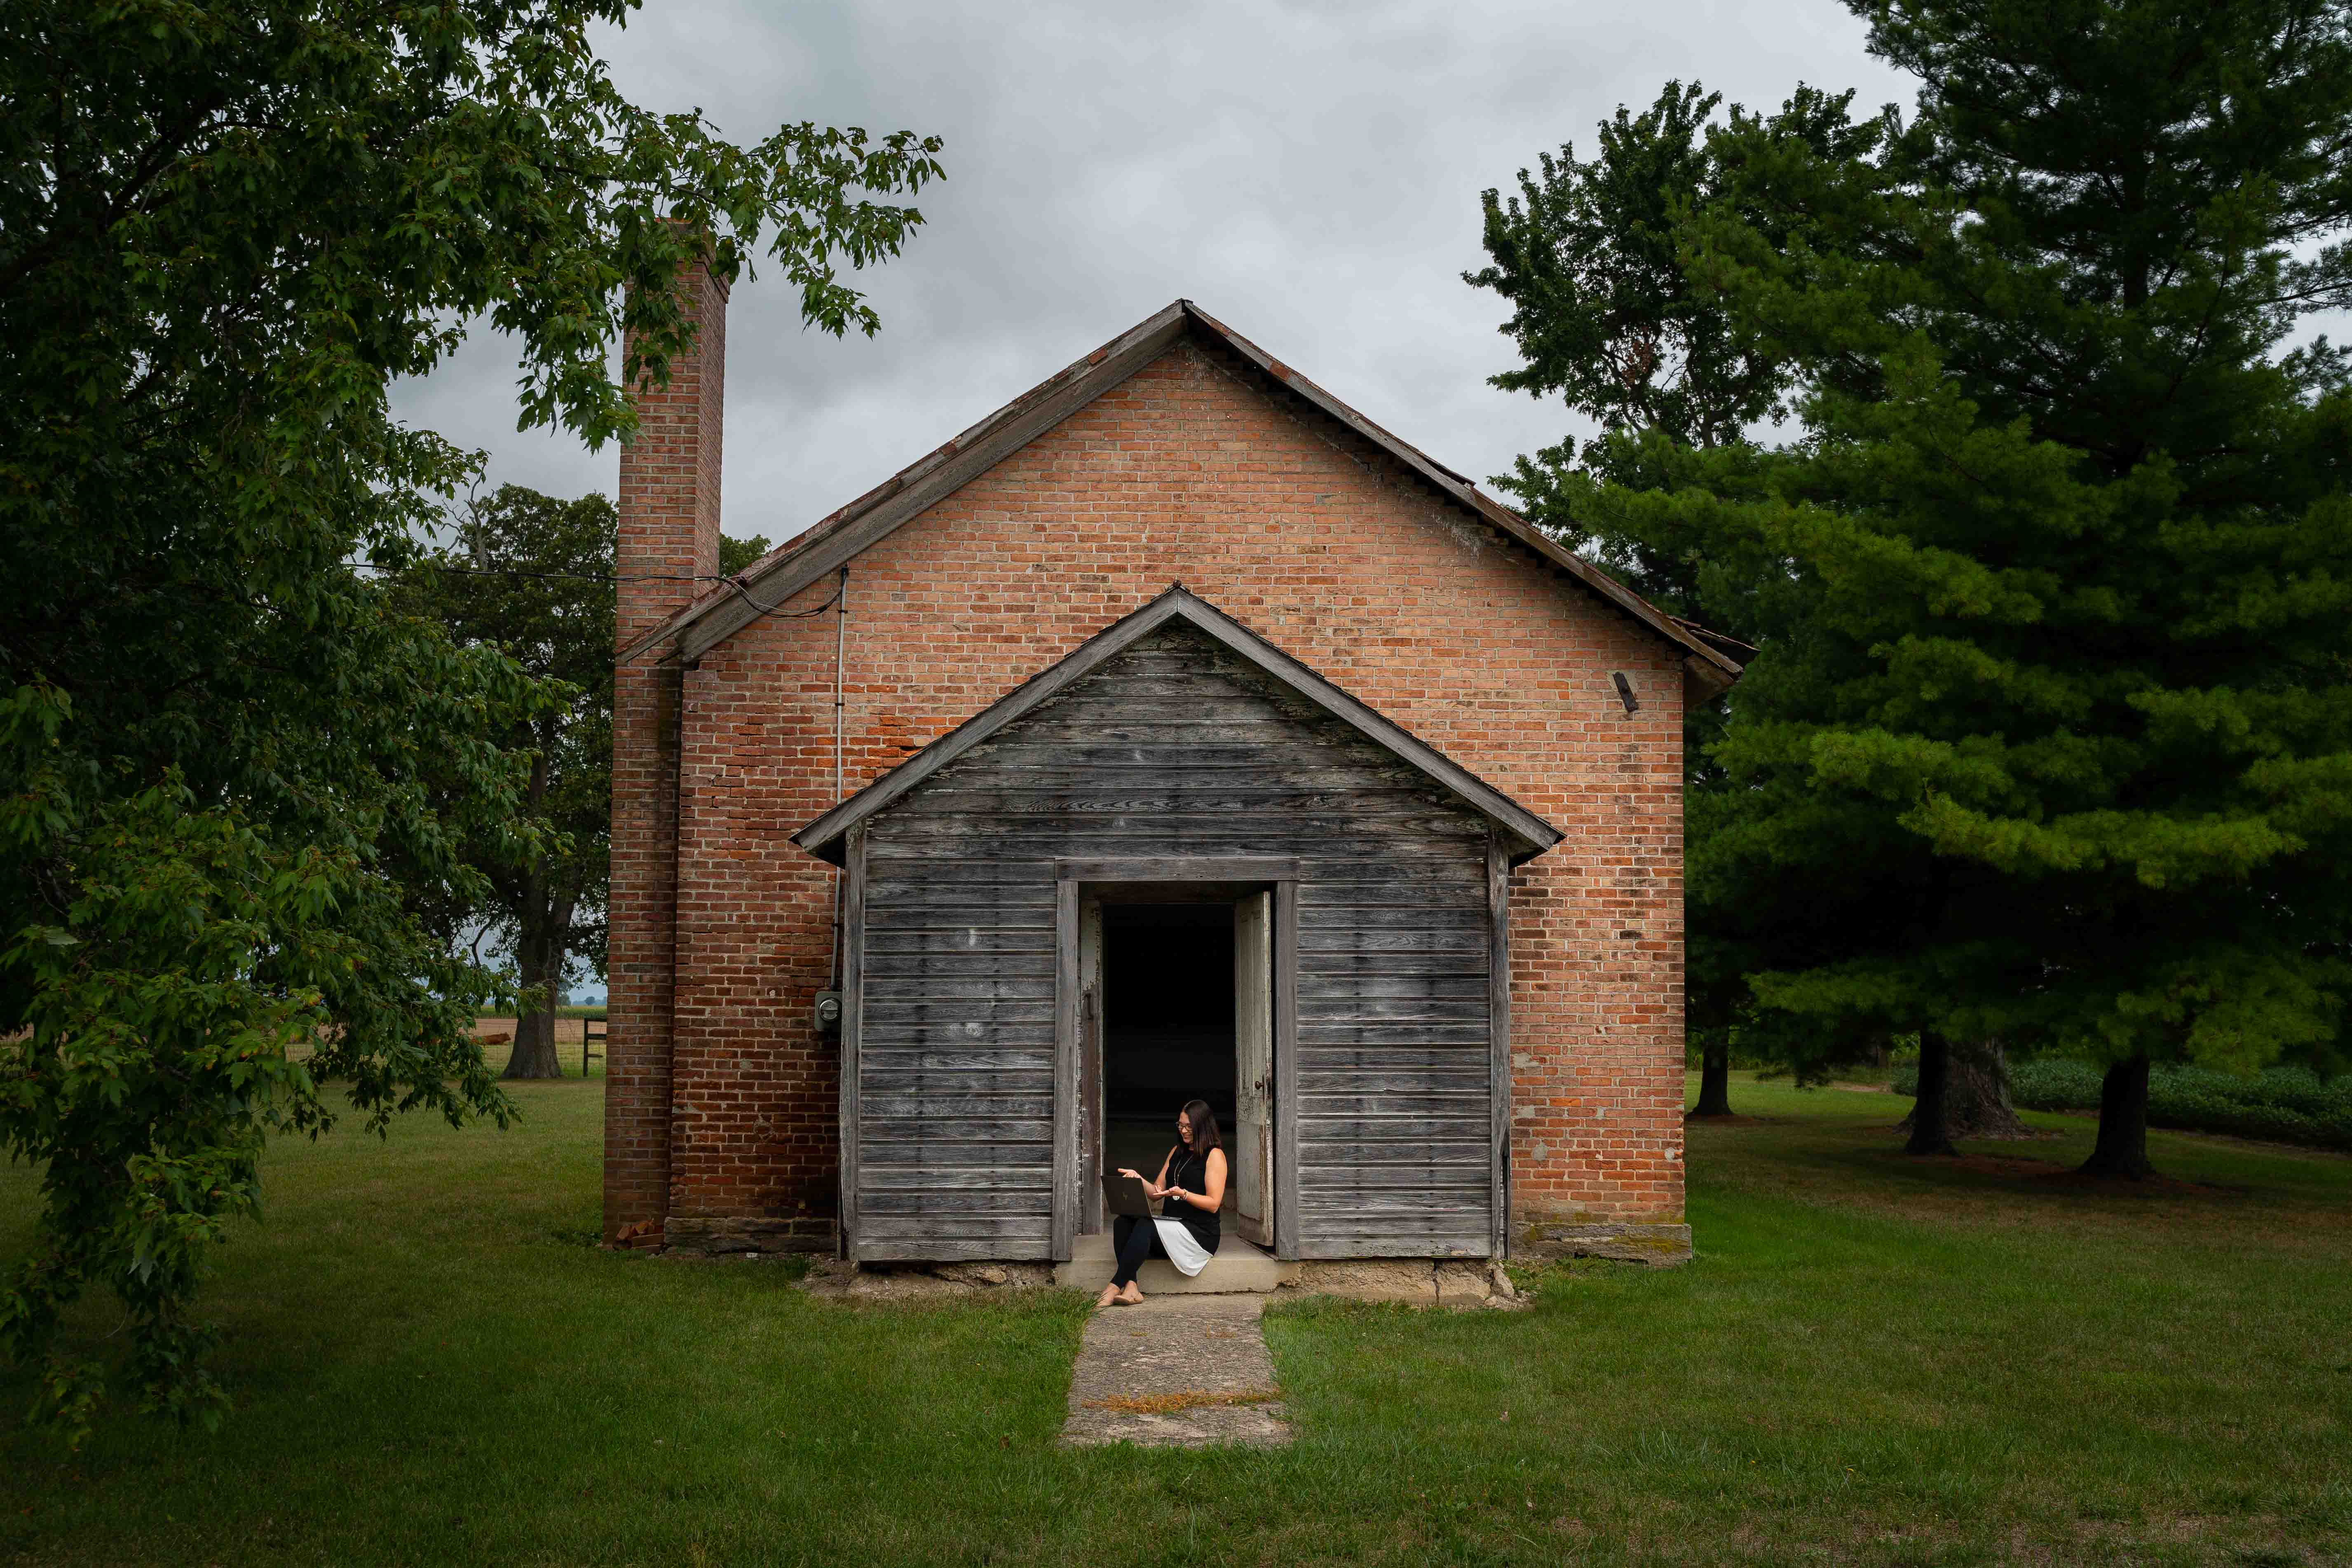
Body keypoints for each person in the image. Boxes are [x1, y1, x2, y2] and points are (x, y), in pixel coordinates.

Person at [1097, 1099, 1225, 1308]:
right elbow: (1157, 1193)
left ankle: (1113, 1286)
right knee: (1123, 1222)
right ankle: (1132, 1288)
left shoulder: (1215, 1156)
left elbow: (1213, 1204)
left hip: (1199, 1235)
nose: (1183, 1131)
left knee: (1147, 1225)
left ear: (1202, 1127)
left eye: (1188, 1127)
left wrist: (1184, 1194)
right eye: (1180, 1125)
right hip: (1171, 1228)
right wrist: (1138, 1179)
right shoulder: (1177, 1151)